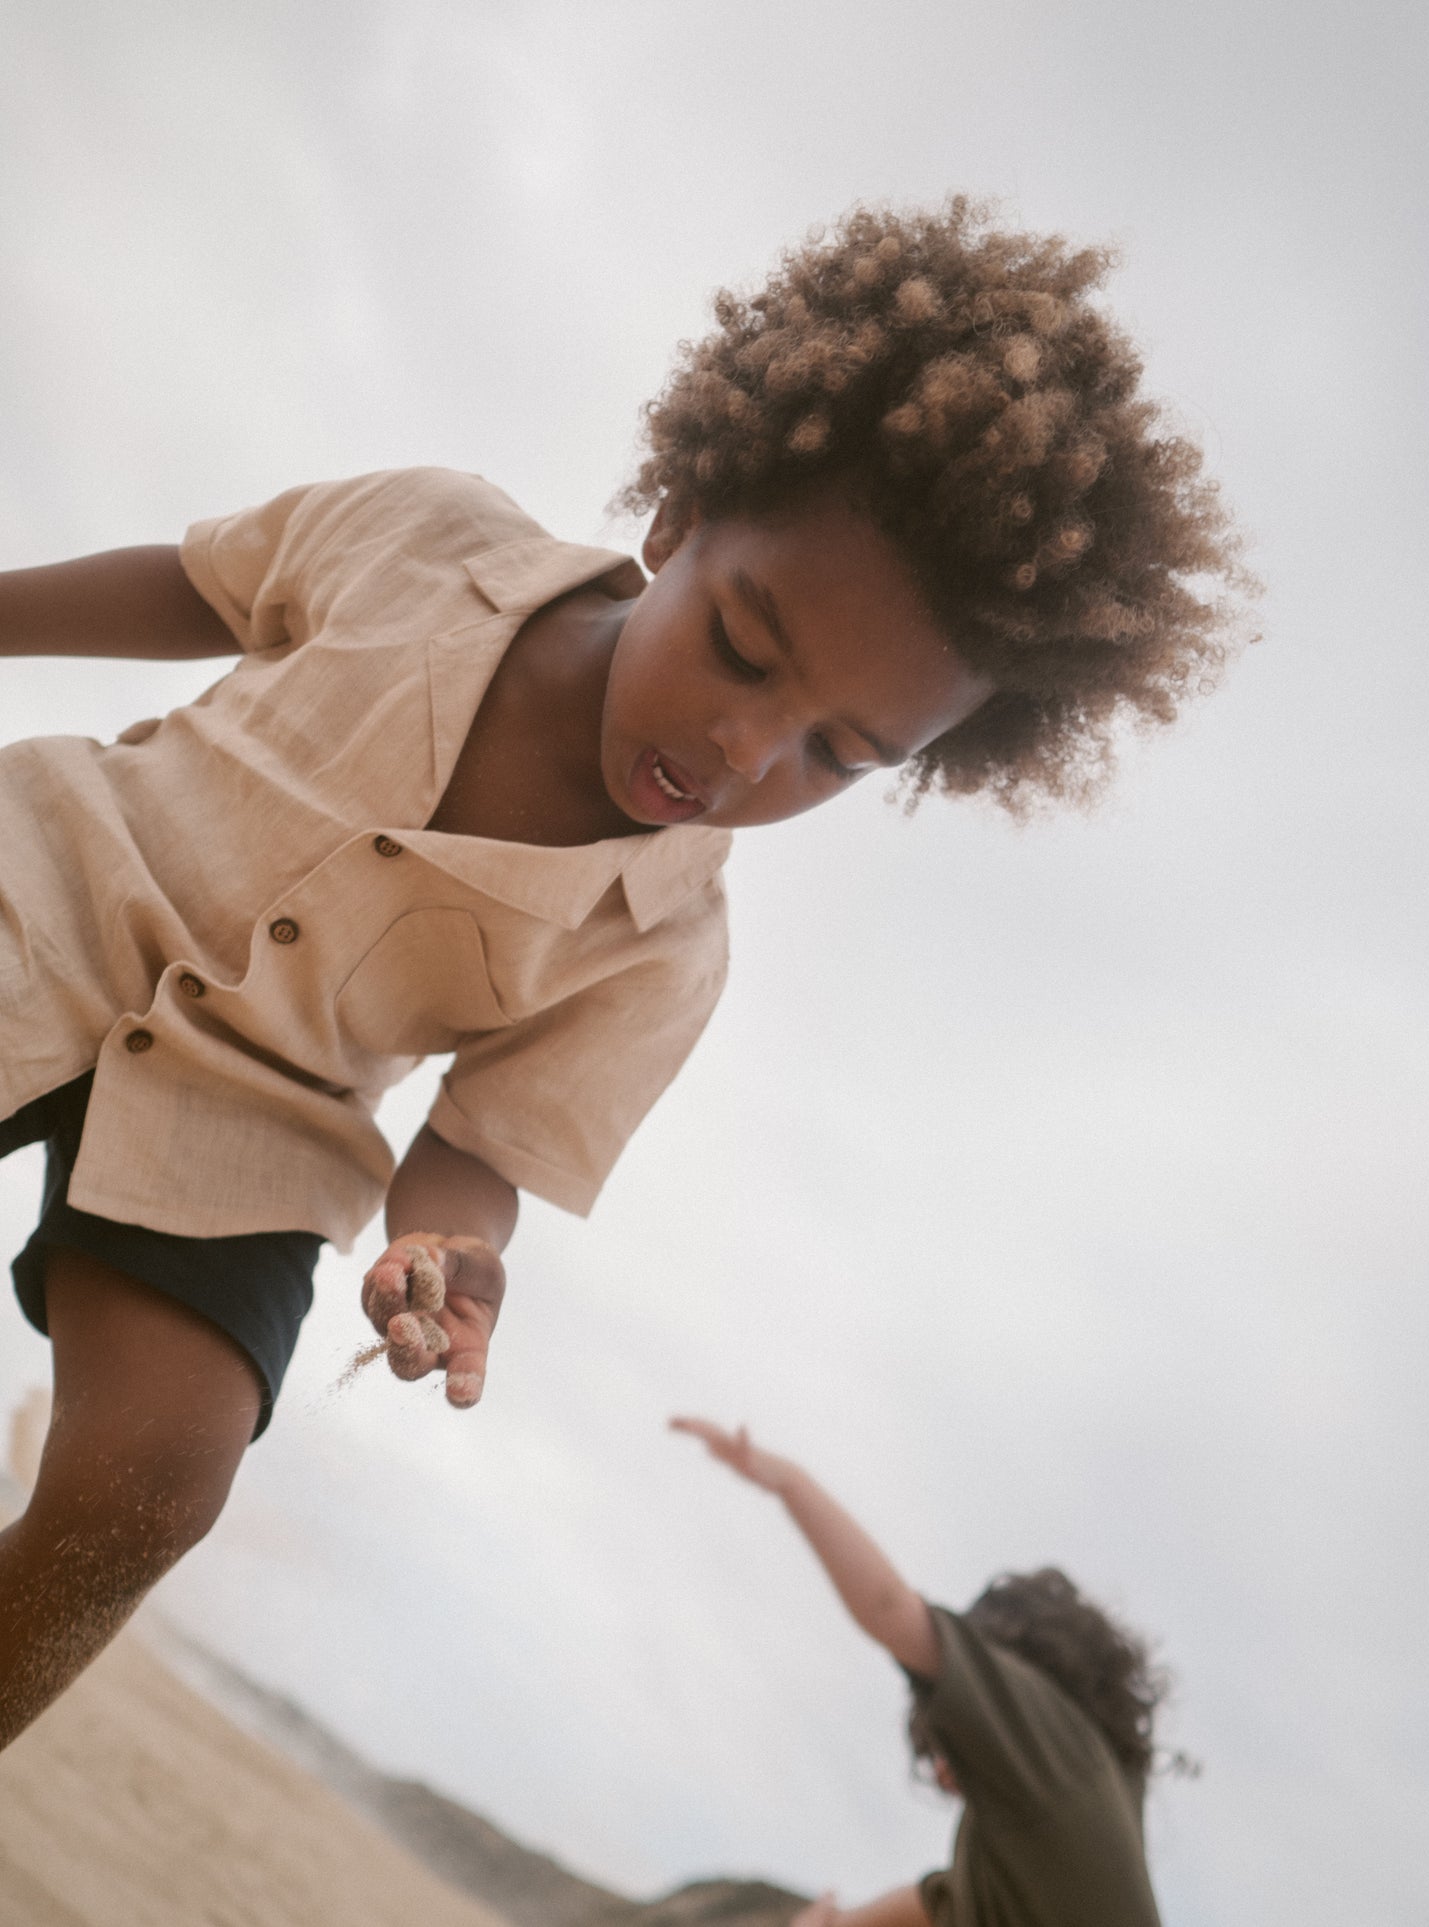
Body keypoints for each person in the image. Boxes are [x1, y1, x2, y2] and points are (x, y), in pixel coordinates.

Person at [0, 198, 1244, 1746]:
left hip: (259, 1114)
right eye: (740, 646)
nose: (748, 752)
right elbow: (204, 583)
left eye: (838, 757)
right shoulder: (428, 535)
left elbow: (475, 1139)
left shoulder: (668, 947)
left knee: (161, 1478)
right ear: (675, 517)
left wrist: (446, 1252)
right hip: (49, 881)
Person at [671, 1418, 1170, 1927]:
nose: (938, 1766)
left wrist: (791, 1484)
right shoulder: (1054, 1822)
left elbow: (891, 1612)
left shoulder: (1057, 1758)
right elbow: (936, 1901)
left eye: (944, 1741)